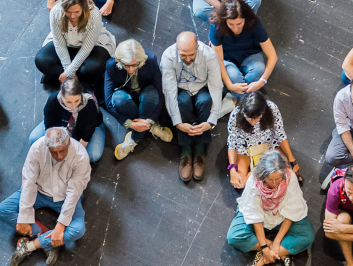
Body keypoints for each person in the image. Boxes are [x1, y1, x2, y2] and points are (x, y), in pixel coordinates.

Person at [0, 126, 90, 266]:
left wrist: (60, 227)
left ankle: (31, 245)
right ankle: (48, 239)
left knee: (79, 229)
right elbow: (29, 183)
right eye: (54, 152)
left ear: (68, 144)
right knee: (2, 210)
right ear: (47, 146)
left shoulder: (81, 156)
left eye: (62, 151)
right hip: (39, 192)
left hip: (65, 198)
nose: (59, 156)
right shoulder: (37, 149)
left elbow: (73, 193)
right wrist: (24, 217)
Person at [228, 149, 315, 266]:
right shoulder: (253, 181)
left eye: (278, 179)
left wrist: (276, 242)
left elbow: (292, 210)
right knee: (234, 236)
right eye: (270, 179)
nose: (275, 183)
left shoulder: (289, 177)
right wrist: (265, 246)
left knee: (307, 236)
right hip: (260, 215)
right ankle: (279, 251)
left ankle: (267, 256)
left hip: (281, 214)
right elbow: (255, 215)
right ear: (263, 175)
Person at [160, 32, 225, 181]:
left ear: (198, 46)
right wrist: (178, 123)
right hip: (180, 88)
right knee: (181, 102)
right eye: (183, 55)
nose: (188, 59)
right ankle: (186, 149)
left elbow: (216, 87)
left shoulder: (209, 55)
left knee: (206, 101)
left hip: (202, 87)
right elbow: (169, 92)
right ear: (177, 49)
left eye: (191, 54)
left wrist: (211, 121)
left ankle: (200, 148)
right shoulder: (168, 57)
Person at [35, 0, 116, 94]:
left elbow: (87, 48)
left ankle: (65, 78)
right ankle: (76, 80)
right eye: (68, 12)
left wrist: (68, 72)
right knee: (41, 60)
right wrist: (71, 73)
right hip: (66, 42)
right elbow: (60, 43)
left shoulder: (94, 14)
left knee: (96, 67)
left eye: (77, 11)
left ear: (83, 7)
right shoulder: (55, 12)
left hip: (90, 46)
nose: (72, 16)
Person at [106, 39, 173, 161]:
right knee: (118, 99)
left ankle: (134, 138)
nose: (131, 69)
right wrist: (130, 124)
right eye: (126, 65)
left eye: (134, 65)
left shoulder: (151, 60)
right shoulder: (111, 65)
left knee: (152, 94)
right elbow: (108, 102)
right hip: (127, 98)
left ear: (141, 61)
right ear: (120, 61)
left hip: (146, 95)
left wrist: (150, 120)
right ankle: (151, 127)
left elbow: (160, 92)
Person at [226, 92, 297, 191]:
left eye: (257, 118)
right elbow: (232, 143)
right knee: (240, 182)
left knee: (287, 174)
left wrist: (292, 159)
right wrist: (232, 169)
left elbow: (280, 135)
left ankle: (255, 173)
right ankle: (259, 172)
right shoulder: (236, 114)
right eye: (249, 118)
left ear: (263, 112)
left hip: (269, 145)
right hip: (245, 148)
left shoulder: (272, 108)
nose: (253, 122)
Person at [209, 0, 277, 95]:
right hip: (226, 58)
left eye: (239, 23)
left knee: (259, 69)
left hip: (249, 55)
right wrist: (229, 85)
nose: (235, 28)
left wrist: (262, 81)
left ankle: (239, 97)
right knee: (234, 76)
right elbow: (219, 60)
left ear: (245, 19)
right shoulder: (216, 26)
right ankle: (247, 100)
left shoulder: (254, 23)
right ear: (225, 20)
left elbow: (272, 56)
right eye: (231, 24)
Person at [31, 78, 108, 163]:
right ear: (61, 95)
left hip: (88, 128)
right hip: (61, 125)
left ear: (81, 95)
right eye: (69, 102)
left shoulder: (89, 104)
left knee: (93, 156)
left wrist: (70, 155)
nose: (73, 106)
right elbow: (49, 127)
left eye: (77, 101)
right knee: (34, 138)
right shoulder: (53, 101)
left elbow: (87, 134)